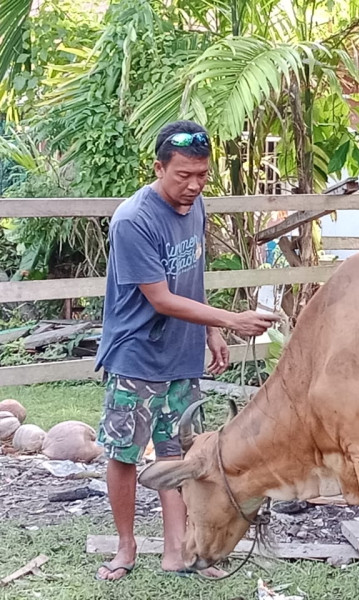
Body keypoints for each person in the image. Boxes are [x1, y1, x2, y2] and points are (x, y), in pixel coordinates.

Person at [93, 120, 279, 581]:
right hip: (135, 356)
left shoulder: (194, 207)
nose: (194, 184)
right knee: (125, 453)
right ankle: (125, 546)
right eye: (183, 175)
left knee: (176, 452)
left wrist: (209, 333)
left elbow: (191, 277)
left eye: (202, 174)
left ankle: (176, 551)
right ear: (159, 167)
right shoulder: (133, 220)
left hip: (181, 353)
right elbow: (160, 298)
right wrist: (230, 320)